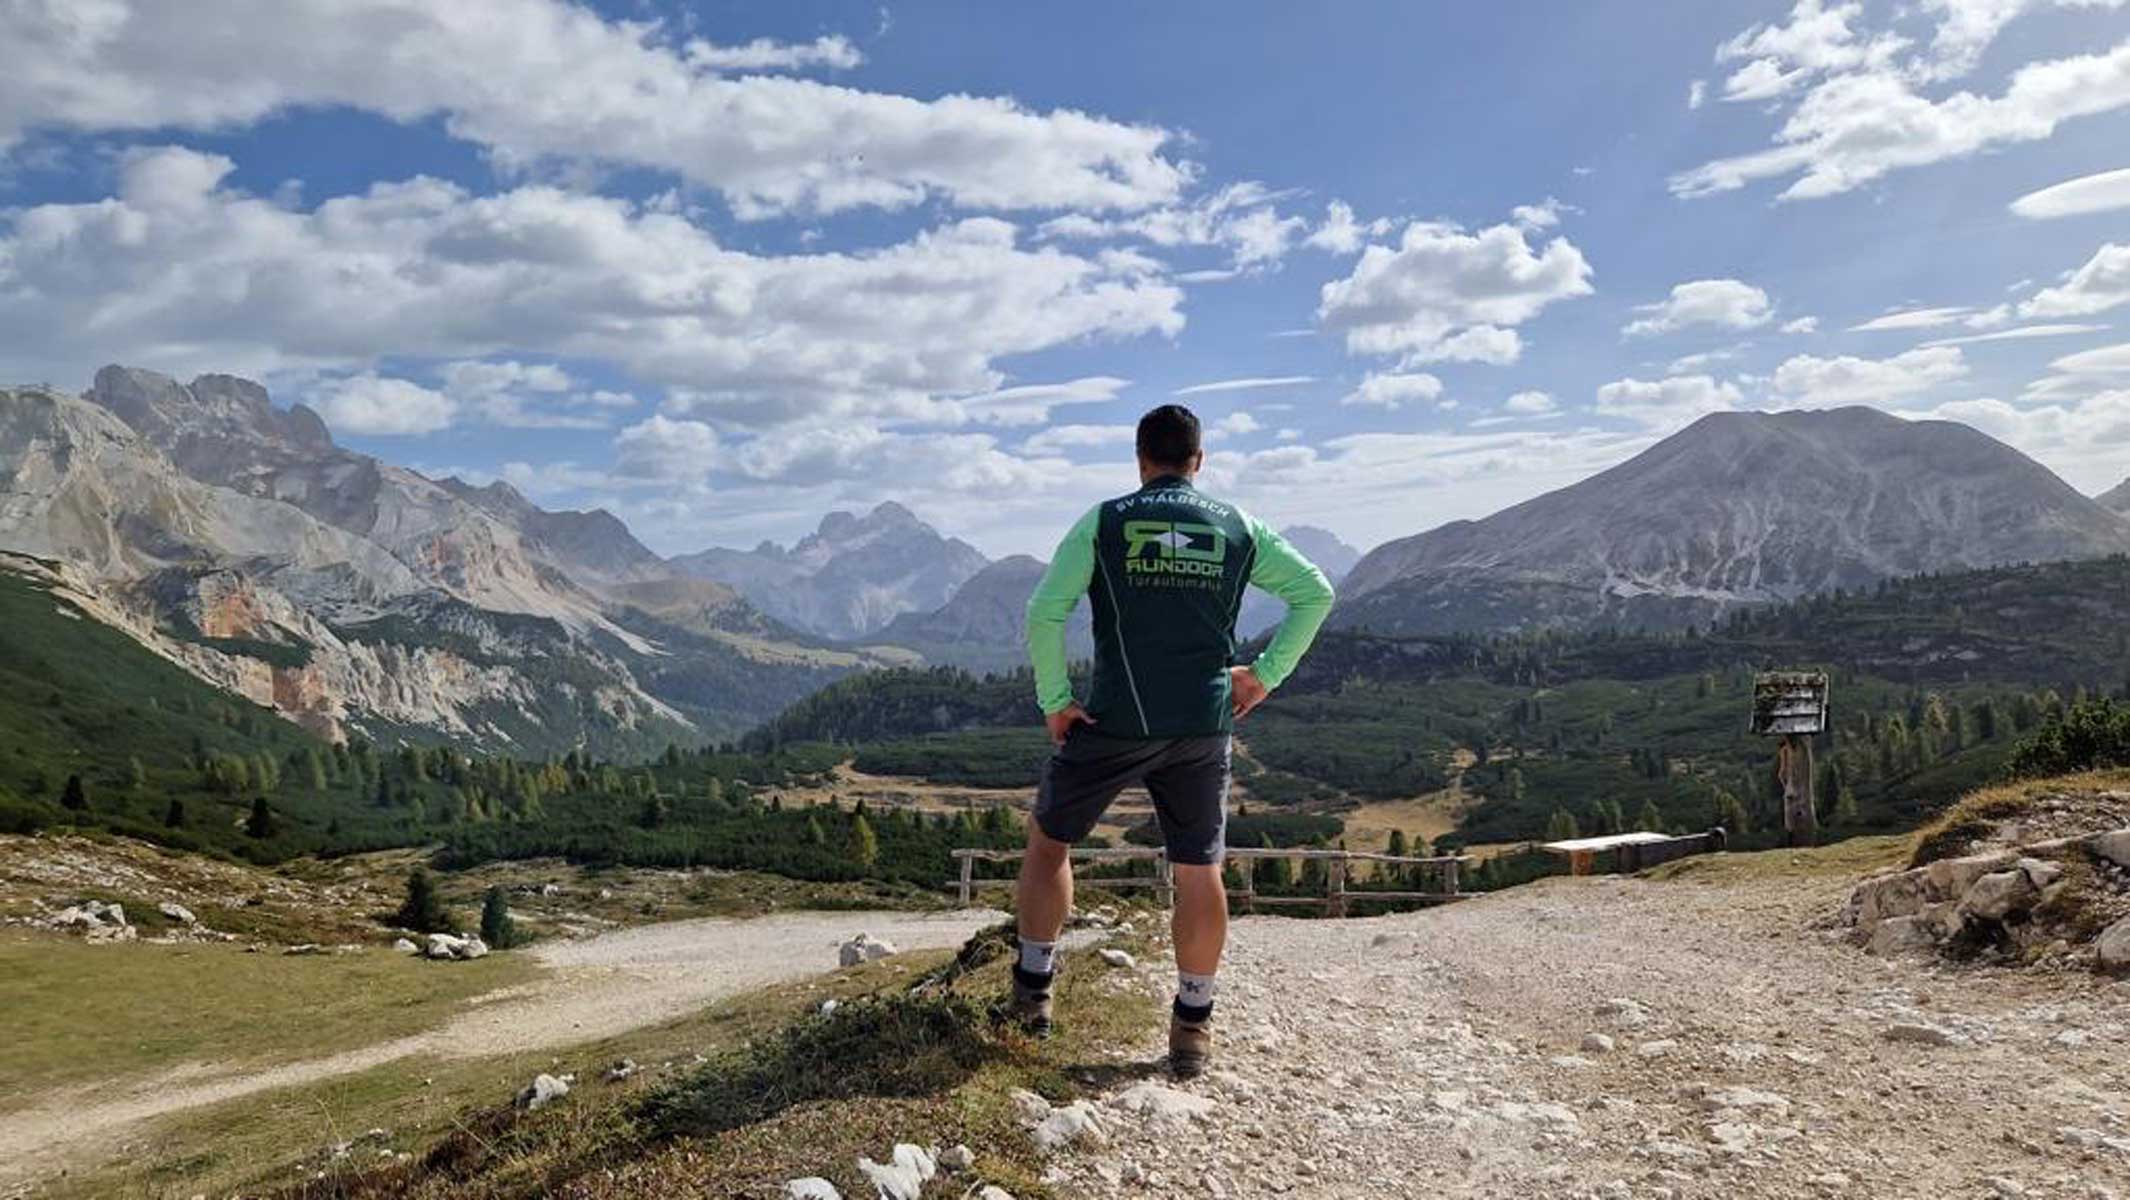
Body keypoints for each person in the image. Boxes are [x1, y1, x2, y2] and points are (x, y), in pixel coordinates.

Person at [1011, 402, 1335, 1077]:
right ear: (1199, 461)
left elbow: (1046, 611)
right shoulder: (1238, 526)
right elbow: (1315, 592)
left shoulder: (1104, 521)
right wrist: (1264, 676)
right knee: (1198, 868)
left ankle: (1033, 997)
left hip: (1112, 719)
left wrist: (1054, 702)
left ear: (1139, 460)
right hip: (1203, 723)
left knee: (1050, 845)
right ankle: (1192, 1026)